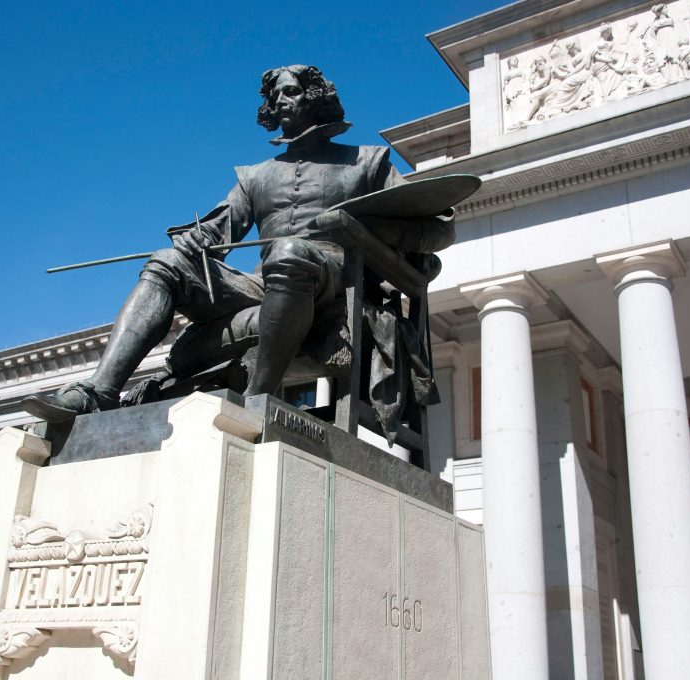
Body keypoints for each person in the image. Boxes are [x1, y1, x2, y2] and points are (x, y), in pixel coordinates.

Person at [23, 65, 453, 422]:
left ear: (315, 98)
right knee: (166, 261)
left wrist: (386, 233)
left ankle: (256, 401)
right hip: (265, 283)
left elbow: (441, 227)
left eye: (290, 92)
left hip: (335, 281)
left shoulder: (367, 162)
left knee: (289, 253)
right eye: (275, 96)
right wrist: (195, 242)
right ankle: (100, 392)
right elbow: (217, 234)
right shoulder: (257, 176)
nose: (279, 101)